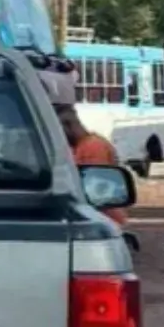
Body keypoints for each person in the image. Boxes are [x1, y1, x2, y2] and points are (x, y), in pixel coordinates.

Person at [56, 103, 139, 251]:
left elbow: (92, 188)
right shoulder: (80, 146)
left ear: (68, 125)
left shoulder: (94, 147)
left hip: (103, 218)